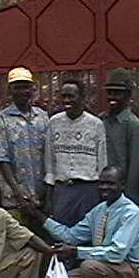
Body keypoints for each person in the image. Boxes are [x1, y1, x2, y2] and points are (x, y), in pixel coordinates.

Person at [29, 166, 139, 278]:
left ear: (122, 185)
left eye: (110, 184)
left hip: (134, 272)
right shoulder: (99, 210)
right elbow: (71, 236)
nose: (104, 188)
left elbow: (116, 253)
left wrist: (76, 252)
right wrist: (41, 218)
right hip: (110, 269)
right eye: (101, 183)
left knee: (89, 267)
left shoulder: (131, 213)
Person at [0, 67, 49, 232]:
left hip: (42, 198)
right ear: (10, 90)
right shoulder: (2, 120)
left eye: (26, 86)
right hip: (14, 200)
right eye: (18, 87)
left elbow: (49, 155)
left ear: (33, 89)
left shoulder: (43, 117)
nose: (23, 91)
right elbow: (1, 160)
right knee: (17, 246)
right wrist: (19, 194)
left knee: (43, 246)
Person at [44, 78, 107, 226]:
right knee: (60, 233)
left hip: (88, 189)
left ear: (82, 98)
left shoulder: (96, 124)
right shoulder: (54, 123)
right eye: (63, 96)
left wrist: (101, 192)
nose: (67, 100)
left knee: (87, 233)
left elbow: (102, 161)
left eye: (71, 96)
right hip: (62, 190)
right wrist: (50, 194)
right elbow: (49, 162)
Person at [101, 69, 139, 206]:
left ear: (127, 95)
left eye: (117, 93)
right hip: (102, 189)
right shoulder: (101, 120)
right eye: (110, 92)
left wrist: (127, 196)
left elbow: (135, 167)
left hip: (122, 193)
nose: (112, 97)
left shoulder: (132, 124)